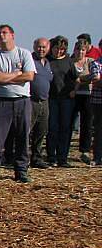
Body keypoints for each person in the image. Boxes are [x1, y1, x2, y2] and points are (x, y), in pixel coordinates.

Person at [0, 24, 35, 184]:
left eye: (5, 33)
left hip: (22, 100)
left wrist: (6, 77)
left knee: (22, 137)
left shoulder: (24, 53)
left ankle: (21, 172)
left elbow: (29, 76)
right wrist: (16, 74)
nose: (2, 36)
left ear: (12, 35)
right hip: (2, 101)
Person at [46, 36, 77, 167]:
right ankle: (51, 156)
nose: (59, 51)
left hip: (66, 99)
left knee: (65, 128)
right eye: (56, 48)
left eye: (62, 49)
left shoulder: (69, 61)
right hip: (51, 98)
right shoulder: (47, 61)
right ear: (51, 48)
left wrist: (74, 90)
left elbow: (76, 78)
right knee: (52, 128)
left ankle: (62, 157)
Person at [70, 39, 99, 164]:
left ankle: (85, 150)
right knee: (70, 123)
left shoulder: (90, 62)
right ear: (74, 50)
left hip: (88, 94)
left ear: (86, 51)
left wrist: (80, 79)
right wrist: (80, 81)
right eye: (78, 49)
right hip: (72, 95)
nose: (80, 52)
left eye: (83, 50)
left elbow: (95, 77)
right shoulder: (70, 62)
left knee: (86, 124)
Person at [29, 38, 53, 169]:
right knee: (27, 131)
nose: (41, 49)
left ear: (48, 48)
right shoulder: (29, 61)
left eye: (44, 47)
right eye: (39, 47)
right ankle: (23, 158)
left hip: (45, 102)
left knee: (41, 131)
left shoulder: (48, 63)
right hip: (31, 101)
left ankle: (36, 158)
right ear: (34, 47)